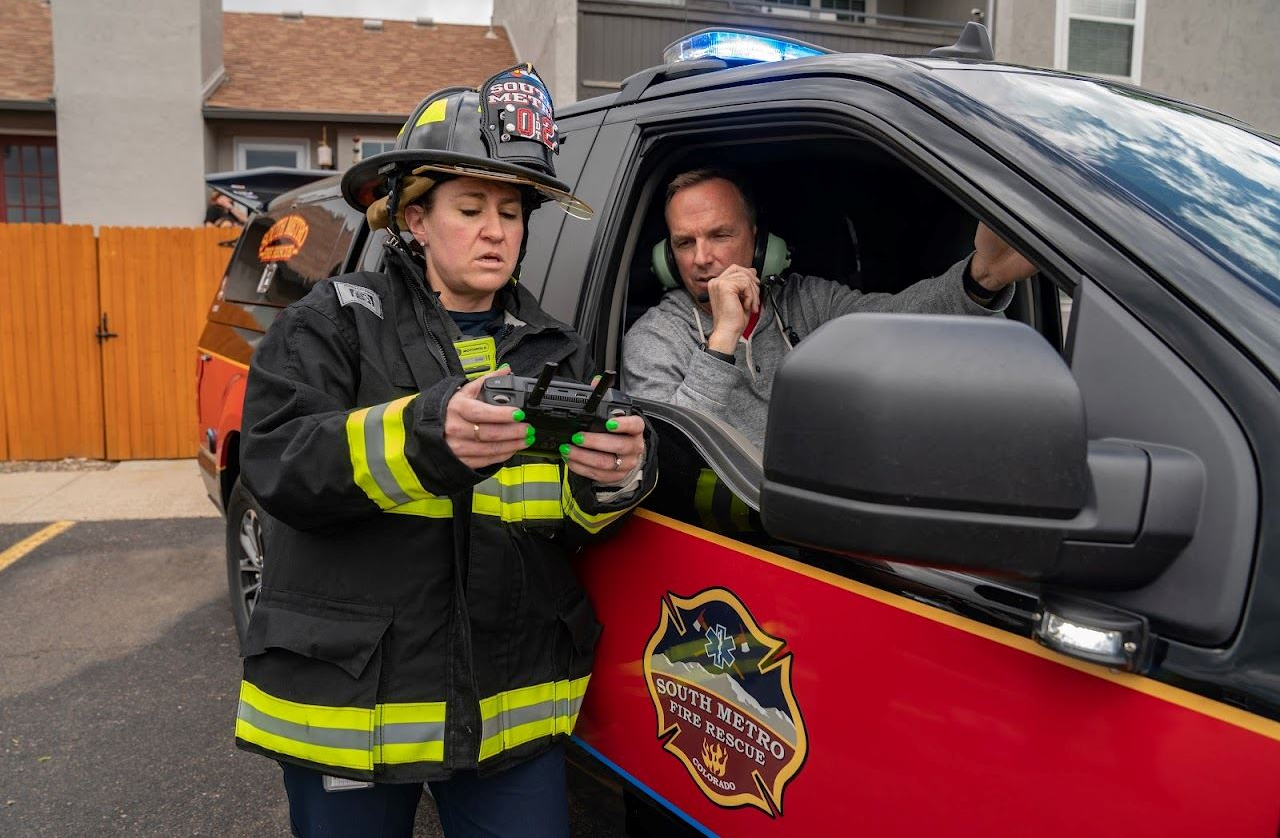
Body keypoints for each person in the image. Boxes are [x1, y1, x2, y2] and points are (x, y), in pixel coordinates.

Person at [233, 64, 654, 838]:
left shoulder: (555, 350)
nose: (497, 230)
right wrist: (428, 435)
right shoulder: (334, 320)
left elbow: (558, 518)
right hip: (354, 710)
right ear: (415, 221)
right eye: (470, 208)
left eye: (512, 212)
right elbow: (278, 460)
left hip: (508, 710)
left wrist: (613, 481)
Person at [623, 167, 1038, 449]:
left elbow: (897, 321)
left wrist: (981, 278)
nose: (701, 258)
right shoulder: (654, 337)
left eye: (719, 235)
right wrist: (722, 339)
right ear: (667, 256)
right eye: (684, 243)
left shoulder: (806, 300)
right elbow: (668, 452)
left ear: (758, 241)